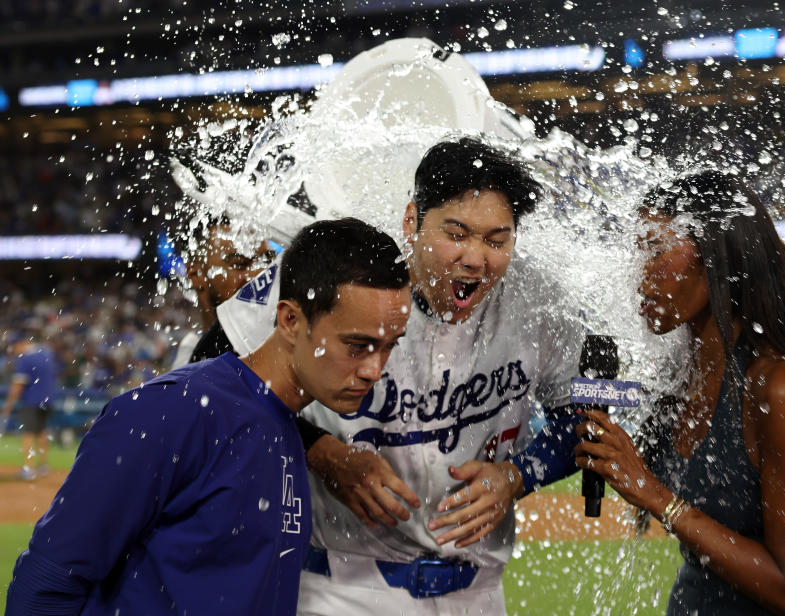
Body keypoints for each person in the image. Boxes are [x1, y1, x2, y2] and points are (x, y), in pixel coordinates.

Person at [211, 137, 586, 614]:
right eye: (456, 233)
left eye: (497, 240)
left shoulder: (540, 299)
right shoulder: (347, 269)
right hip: (341, 589)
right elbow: (219, 372)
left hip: (480, 591)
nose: (476, 257)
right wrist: (321, 452)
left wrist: (517, 476)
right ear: (411, 221)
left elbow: (584, 415)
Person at [5, 218, 411, 616]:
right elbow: (48, 581)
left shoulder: (285, 429)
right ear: (289, 319)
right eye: (358, 345)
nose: (374, 369)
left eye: (389, 345)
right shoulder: (171, 410)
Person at [574, 171, 785, 615]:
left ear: (716, 255)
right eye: (636, 252)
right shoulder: (685, 377)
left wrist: (655, 495)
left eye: (655, 250)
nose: (637, 274)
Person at [170, 214, 275, 368]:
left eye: (267, 261)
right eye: (240, 264)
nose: (260, 273)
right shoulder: (192, 378)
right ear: (196, 275)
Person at [0, 335, 58, 480]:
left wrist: (8, 405)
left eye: (15, 348)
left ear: (20, 344)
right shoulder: (46, 353)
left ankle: (29, 469)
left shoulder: (25, 359)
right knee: (42, 431)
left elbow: (18, 385)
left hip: (32, 401)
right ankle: (44, 466)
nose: (14, 351)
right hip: (48, 399)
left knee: (28, 434)